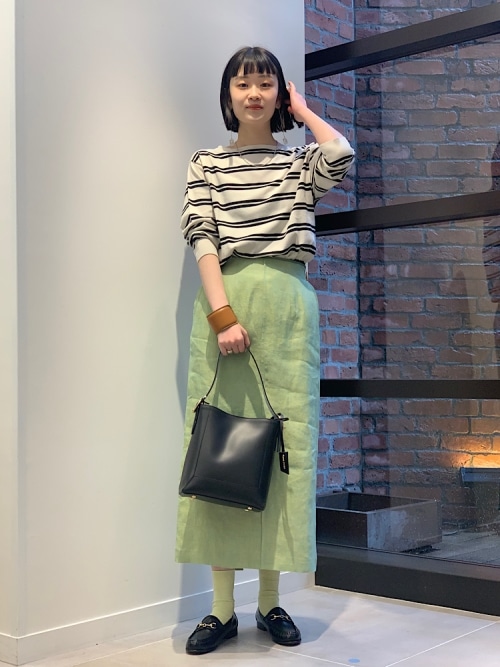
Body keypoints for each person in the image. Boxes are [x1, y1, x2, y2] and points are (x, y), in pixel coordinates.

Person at [176, 46, 354, 655]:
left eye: (266, 83)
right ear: (228, 94)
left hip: (289, 311)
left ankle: (271, 602)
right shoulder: (206, 163)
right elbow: (202, 237)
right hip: (228, 307)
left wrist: (303, 113)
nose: (253, 93)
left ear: (280, 93)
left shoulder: (300, 164)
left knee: (285, 454)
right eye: (242, 83)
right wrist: (222, 313)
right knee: (220, 451)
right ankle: (221, 610)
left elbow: (340, 152)